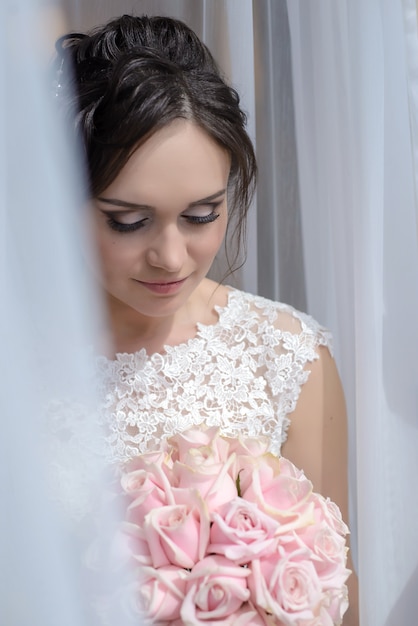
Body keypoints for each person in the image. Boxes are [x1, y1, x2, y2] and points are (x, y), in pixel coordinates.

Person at [54, 14, 358, 624]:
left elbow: (337, 603)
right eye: (128, 220)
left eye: (201, 215)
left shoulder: (288, 359)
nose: (170, 257)